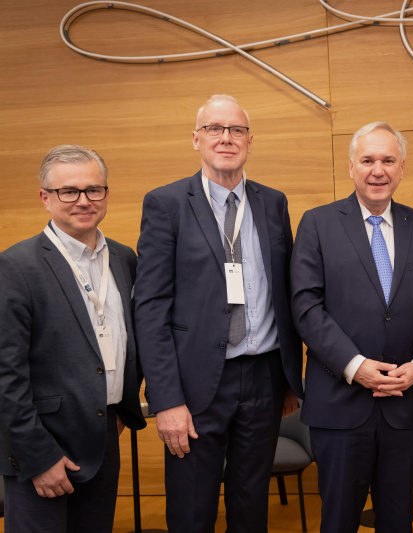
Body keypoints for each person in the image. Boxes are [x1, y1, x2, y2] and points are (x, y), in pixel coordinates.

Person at [134, 94, 303, 532]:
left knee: (251, 506)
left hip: (264, 376)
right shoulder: (166, 203)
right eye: (215, 128)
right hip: (194, 383)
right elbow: (150, 307)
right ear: (196, 139)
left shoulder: (274, 203)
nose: (226, 137)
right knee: (192, 507)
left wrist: (288, 379)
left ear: (249, 140)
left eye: (237, 130)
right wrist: (166, 399)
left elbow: (285, 293)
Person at [291, 121, 413, 533]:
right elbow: (306, 306)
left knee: (398, 520)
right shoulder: (317, 223)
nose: (377, 170)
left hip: (405, 403)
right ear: (351, 167)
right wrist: (354, 365)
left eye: (387, 160)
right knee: (339, 521)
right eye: (367, 160)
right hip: (340, 405)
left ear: (402, 169)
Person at [0, 145, 146, 532]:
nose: (83, 201)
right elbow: (5, 377)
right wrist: (38, 457)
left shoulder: (124, 258)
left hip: (102, 439)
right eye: (69, 191)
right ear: (45, 198)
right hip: (44, 449)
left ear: (106, 195)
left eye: (93, 189)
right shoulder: (15, 266)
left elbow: (134, 342)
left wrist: (122, 409)